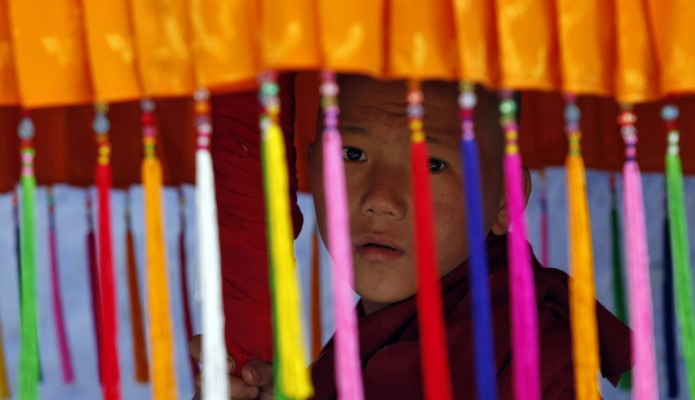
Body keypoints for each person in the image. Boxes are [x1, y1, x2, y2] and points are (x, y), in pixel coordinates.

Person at [192, 75, 631, 399]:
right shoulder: (368, 348)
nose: (381, 200)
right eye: (353, 153)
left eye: (432, 164)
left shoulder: (528, 363)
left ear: (506, 197)